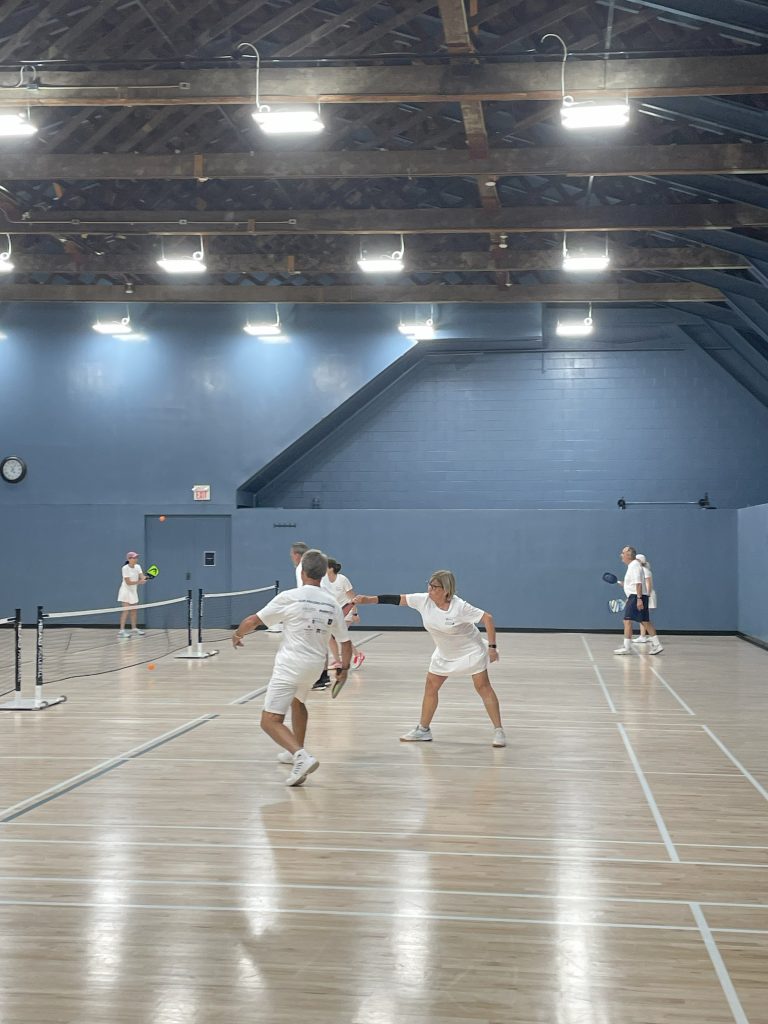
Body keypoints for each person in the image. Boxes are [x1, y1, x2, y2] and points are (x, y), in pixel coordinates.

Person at [232, 548, 352, 787]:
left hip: (290, 666)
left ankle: (301, 756)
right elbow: (345, 643)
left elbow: (253, 621)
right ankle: (295, 749)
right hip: (315, 668)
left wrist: (237, 634)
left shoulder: (290, 597)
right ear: (322, 574)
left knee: (269, 720)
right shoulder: (332, 603)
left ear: (303, 571)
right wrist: (344, 670)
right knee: (298, 702)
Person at [355, 569, 506, 747]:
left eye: (435, 587)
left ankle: (499, 731)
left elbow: (488, 618)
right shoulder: (423, 600)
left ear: (446, 590)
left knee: (483, 687)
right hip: (444, 653)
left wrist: (492, 648)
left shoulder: (459, 607)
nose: (430, 589)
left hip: (470, 652)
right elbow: (395, 599)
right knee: (431, 686)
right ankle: (423, 730)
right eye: (429, 585)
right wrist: (368, 600)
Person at [290, 540, 330, 690]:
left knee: (310, 643)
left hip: (313, 609)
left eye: (292, 555)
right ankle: (323, 676)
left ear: (297, 555)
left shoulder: (302, 568)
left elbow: (305, 589)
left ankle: (316, 678)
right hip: (325, 607)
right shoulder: (317, 567)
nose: (292, 558)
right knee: (322, 643)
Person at [614, 546, 663, 656]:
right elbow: (633, 584)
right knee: (645, 621)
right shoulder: (633, 566)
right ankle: (657, 645)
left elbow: (639, 584)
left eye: (623, 553)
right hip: (637, 596)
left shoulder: (634, 566)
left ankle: (626, 647)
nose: (621, 555)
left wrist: (639, 599)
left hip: (636, 596)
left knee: (627, 621)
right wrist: (622, 584)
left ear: (628, 555)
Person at [322, 558, 365, 671]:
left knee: (339, 635)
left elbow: (352, 597)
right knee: (330, 636)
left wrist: (355, 613)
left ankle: (357, 655)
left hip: (347, 610)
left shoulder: (342, 579)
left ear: (331, 568)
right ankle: (337, 661)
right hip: (335, 613)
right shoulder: (324, 581)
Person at [117, 551, 147, 637]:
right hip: (125, 591)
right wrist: (139, 582)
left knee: (134, 611)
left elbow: (142, 577)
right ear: (129, 559)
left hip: (133, 591)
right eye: (134, 558)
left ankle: (134, 628)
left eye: (136, 557)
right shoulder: (125, 568)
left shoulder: (138, 566)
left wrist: (145, 578)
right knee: (126, 611)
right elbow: (128, 582)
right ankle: (121, 631)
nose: (136, 559)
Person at [632, 554, 658, 646]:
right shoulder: (641, 570)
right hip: (645, 595)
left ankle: (645, 636)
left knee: (643, 618)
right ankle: (644, 636)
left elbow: (648, 584)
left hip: (647, 596)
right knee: (643, 618)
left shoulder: (645, 571)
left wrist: (646, 596)